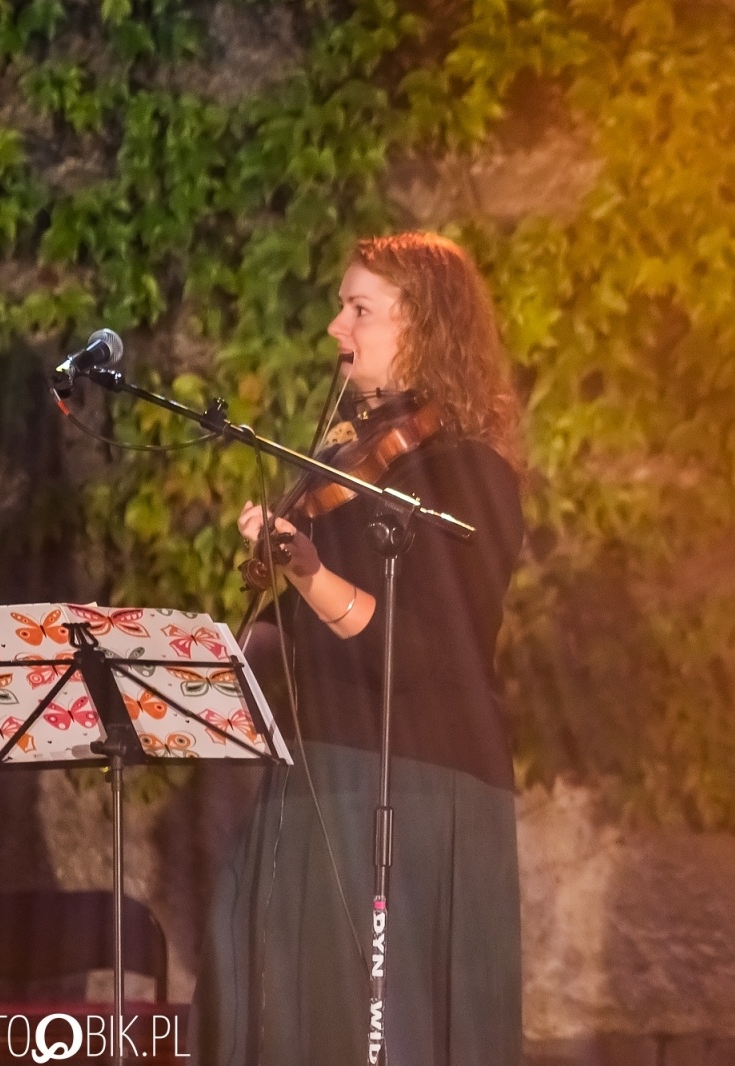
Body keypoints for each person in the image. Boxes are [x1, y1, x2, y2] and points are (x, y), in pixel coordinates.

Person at [196, 232, 525, 1066]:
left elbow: (426, 653)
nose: (336, 328)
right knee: (257, 986)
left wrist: (307, 573)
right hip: (318, 773)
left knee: (385, 1028)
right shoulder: (344, 463)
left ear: (424, 326)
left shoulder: (467, 476)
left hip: (415, 785)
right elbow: (308, 643)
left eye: (360, 309)